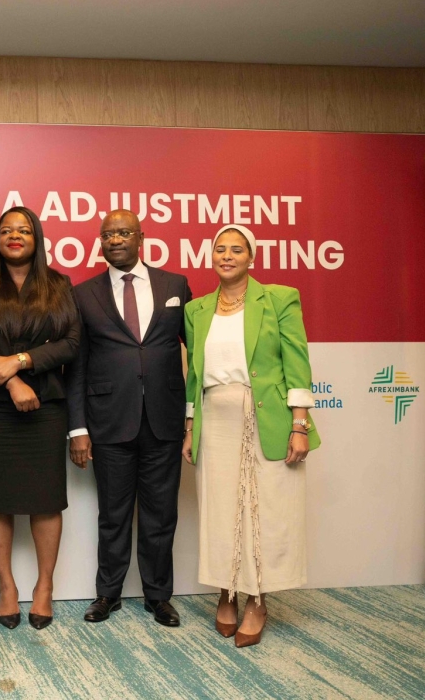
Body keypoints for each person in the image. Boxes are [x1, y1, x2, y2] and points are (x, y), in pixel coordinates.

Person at [183, 224, 320, 648]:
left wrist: (299, 424)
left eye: (236, 249)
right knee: (221, 509)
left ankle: (258, 599)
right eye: (220, 249)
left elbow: (297, 361)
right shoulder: (196, 309)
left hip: (267, 418)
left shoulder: (279, 298)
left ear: (251, 257)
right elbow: (194, 376)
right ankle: (226, 590)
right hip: (215, 418)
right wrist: (190, 426)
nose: (227, 255)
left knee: (267, 510)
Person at [67, 210, 192, 628]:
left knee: (161, 515)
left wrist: (193, 416)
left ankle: (159, 596)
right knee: (113, 514)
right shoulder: (84, 294)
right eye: (107, 235)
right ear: (100, 242)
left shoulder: (175, 286)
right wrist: (78, 428)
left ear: (141, 237)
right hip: (109, 421)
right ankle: (108, 594)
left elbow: (198, 352)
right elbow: (77, 367)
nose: (115, 240)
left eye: (123, 232)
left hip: (164, 419)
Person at [0, 206, 80, 630]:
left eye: (23, 230)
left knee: (46, 500)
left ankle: (44, 586)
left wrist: (22, 361)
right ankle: (7, 587)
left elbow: (71, 343)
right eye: (7, 230)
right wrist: (11, 381)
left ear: (36, 238)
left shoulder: (59, 284)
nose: (14, 236)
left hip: (46, 406)